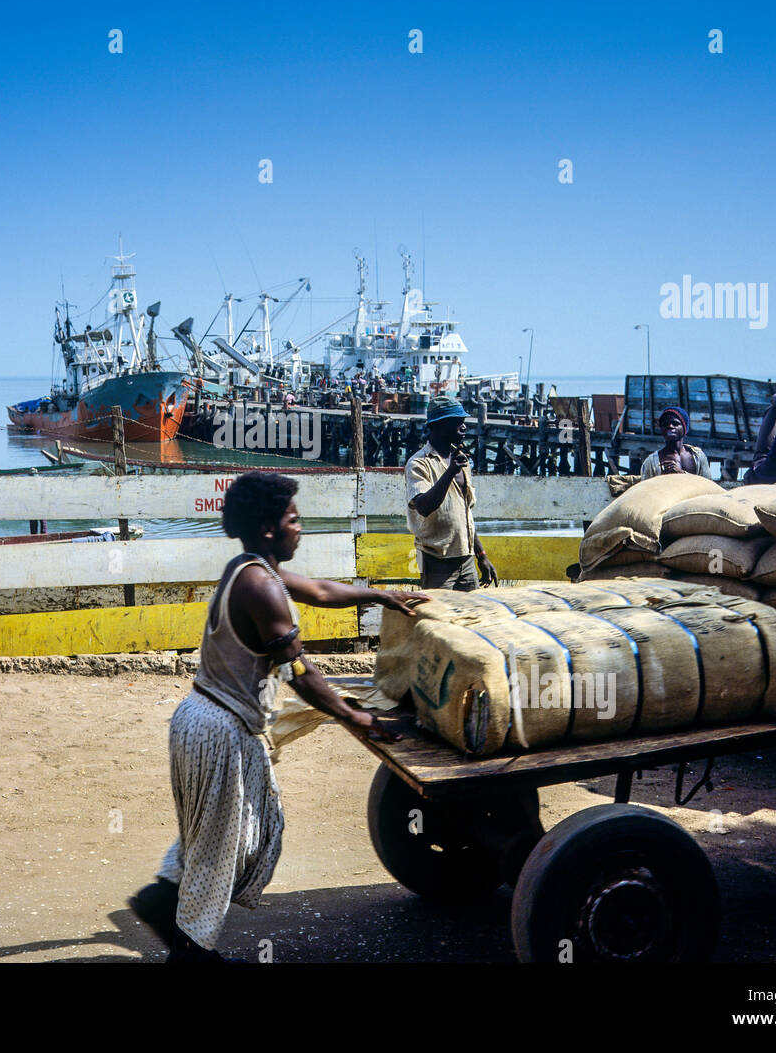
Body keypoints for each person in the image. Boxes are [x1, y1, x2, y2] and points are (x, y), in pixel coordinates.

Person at [128, 473, 424, 962]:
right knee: (224, 846)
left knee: (219, 835)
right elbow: (301, 673)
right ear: (269, 527)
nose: (300, 527)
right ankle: (192, 952)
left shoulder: (251, 569)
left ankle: (163, 898)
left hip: (202, 720)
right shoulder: (260, 587)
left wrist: (380, 596)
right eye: (293, 519)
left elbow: (320, 590)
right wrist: (356, 716)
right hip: (219, 728)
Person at [406, 396, 499, 589]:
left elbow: (464, 515)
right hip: (433, 559)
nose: (463, 427)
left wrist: (481, 555)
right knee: (437, 615)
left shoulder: (460, 461)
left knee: (470, 615)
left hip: (466, 559)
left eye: (463, 422)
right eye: (457, 422)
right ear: (438, 426)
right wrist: (449, 473)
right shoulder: (418, 463)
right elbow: (423, 507)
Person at [639, 408, 710, 478]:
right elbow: (646, 488)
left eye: (675, 423)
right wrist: (661, 480)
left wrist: (682, 474)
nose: (670, 426)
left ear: (684, 428)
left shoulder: (697, 456)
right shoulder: (651, 462)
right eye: (665, 424)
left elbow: (708, 485)